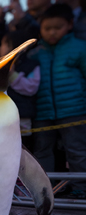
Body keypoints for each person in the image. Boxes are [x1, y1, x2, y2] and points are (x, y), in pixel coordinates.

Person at [29, 3, 86, 198]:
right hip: (43, 111)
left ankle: (81, 189)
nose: (52, 32)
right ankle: (46, 190)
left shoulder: (79, 48)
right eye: (47, 28)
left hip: (74, 110)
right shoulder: (36, 52)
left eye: (57, 27)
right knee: (42, 151)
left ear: (70, 24)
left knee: (77, 151)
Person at [0, 31, 40, 151]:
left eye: (3, 44)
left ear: (13, 47)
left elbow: (31, 88)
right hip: (2, 117)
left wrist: (12, 75)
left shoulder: (31, 65)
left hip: (23, 117)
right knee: (5, 149)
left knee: (24, 149)